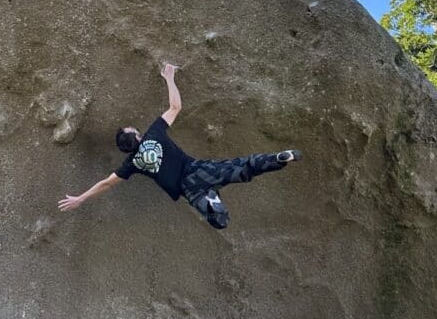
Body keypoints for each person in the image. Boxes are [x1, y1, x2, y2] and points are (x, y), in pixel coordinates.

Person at [58, 62, 300, 229]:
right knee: (242, 167)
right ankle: (277, 159)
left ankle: (211, 203)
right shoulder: (154, 133)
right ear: (138, 136)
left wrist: (81, 198)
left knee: (217, 220)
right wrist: (170, 78)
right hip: (197, 168)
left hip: (187, 188)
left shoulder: (132, 164)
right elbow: (175, 107)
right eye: (131, 128)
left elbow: (107, 183)